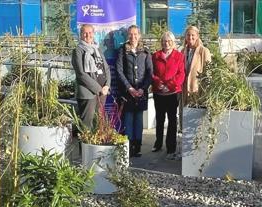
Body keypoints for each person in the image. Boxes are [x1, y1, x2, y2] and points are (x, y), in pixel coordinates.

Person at [116, 25, 153, 157]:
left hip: (141, 93)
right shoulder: (122, 51)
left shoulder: (146, 51)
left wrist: (143, 89)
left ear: (139, 35)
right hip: (127, 93)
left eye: (135, 34)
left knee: (138, 120)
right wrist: (129, 88)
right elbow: (119, 71)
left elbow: (150, 73)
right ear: (128, 35)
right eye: (130, 34)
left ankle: (137, 147)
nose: (133, 36)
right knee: (128, 119)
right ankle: (128, 147)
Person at [151, 31, 185, 160]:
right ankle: (158, 143)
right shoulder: (155, 56)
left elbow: (181, 74)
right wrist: (158, 83)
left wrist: (169, 85)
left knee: (172, 120)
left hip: (172, 93)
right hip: (158, 92)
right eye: (164, 41)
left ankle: (171, 147)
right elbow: (152, 72)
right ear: (161, 42)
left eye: (169, 41)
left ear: (173, 42)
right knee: (159, 119)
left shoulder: (179, 56)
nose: (167, 43)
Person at [72, 24, 111, 129]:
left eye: (90, 33)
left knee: (99, 123)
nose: (87, 35)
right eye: (85, 33)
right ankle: (84, 146)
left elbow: (106, 69)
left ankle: (95, 145)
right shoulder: (78, 51)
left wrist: (107, 86)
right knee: (87, 125)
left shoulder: (97, 49)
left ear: (93, 34)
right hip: (88, 94)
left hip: (102, 92)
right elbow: (81, 74)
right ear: (80, 35)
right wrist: (99, 89)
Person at [180, 26, 211, 130]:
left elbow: (208, 71)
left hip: (197, 89)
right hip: (184, 89)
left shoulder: (203, 51)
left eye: (193, 35)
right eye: (188, 35)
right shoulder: (182, 51)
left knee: (195, 118)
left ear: (197, 36)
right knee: (184, 117)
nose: (190, 37)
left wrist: (206, 89)